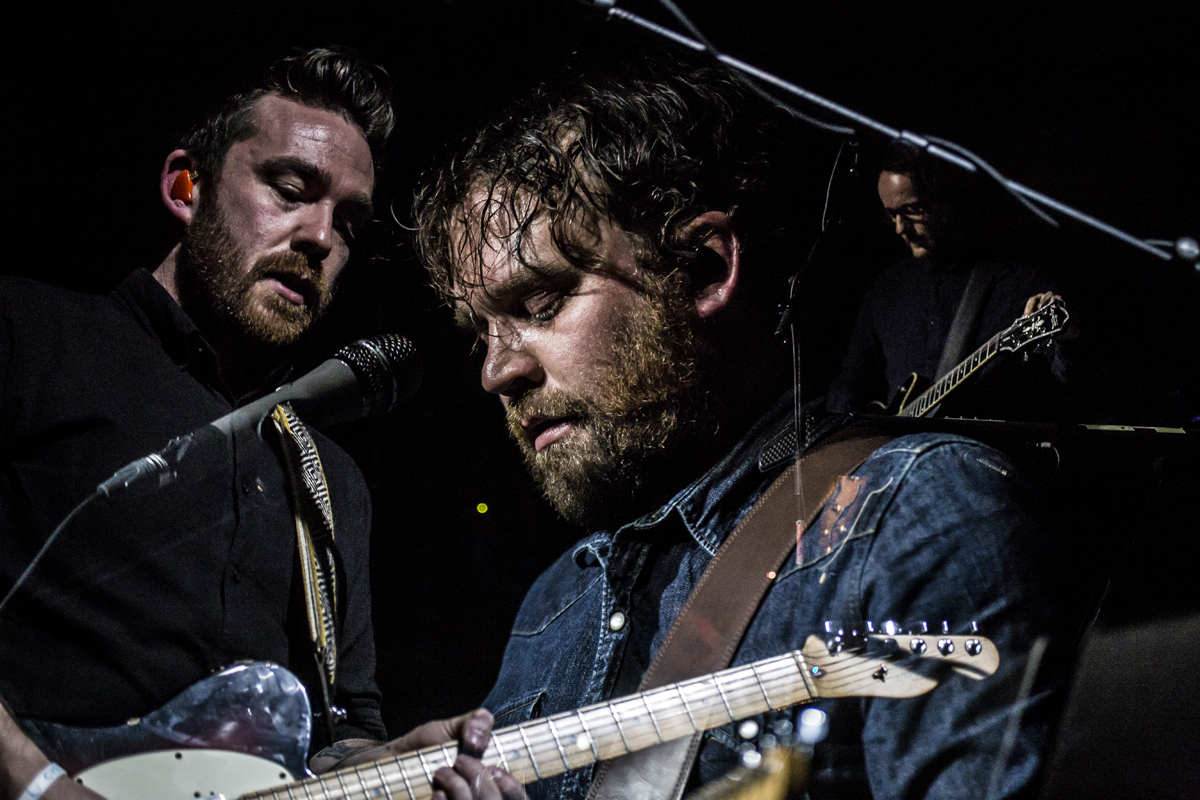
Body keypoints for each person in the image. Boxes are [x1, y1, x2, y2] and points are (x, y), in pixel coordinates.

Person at [373, 61, 1072, 800]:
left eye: (541, 301)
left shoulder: (911, 519)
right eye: (479, 333)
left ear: (703, 269)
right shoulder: (553, 606)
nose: (496, 372)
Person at [0, 46, 394, 793]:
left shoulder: (331, 482)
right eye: (291, 190)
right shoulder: (27, 335)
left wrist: (407, 764)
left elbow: (337, 735)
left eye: (347, 222)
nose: (320, 238)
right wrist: (37, 781)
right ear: (187, 186)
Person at [826, 139, 1068, 419]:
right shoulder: (887, 290)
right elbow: (849, 382)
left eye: (913, 210)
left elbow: (1069, 383)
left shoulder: (1016, 283)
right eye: (892, 214)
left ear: (948, 200)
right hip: (892, 444)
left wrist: (1068, 338)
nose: (900, 228)